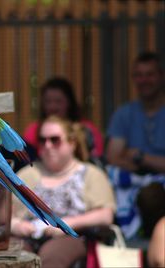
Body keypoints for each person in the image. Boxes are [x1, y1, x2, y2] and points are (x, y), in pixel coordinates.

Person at [11, 116, 116, 268]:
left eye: (55, 140)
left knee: (52, 258)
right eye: (42, 140)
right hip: (27, 237)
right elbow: (6, 215)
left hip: (74, 237)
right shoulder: (27, 174)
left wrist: (67, 224)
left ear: (72, 143)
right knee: (14, 257)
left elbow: (106, 215)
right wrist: (17, 226)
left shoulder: (90, 174)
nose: (48, 145)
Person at [106, 51, 165, 239]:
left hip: (157, 188)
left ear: (161, 76)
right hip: (130, 184)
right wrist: (152, 164)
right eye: (139, 75)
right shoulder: (124, 113)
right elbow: (113, 157)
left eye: (149, 74)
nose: (144, 80)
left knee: (151, 194)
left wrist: (140, 157)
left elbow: (127, 156)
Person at [23, 77, 104, 161]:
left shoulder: (86, 130)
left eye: (58, 101)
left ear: (69, 102)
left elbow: (96, 158)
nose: (52, 107)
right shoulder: (33, 130)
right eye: (48, 101)